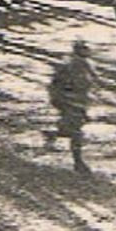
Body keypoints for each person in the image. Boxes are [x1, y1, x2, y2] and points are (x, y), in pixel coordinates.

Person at [43, 39, 95, 172]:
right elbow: (56, 85)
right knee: (77, 132)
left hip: (79, 101)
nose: (88, 51)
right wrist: (60, 100)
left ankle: (54, 134)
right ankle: (78, 162)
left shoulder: (85, 64)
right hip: (70, 101)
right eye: (85, 49)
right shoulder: (69, 65)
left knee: (73, 128)